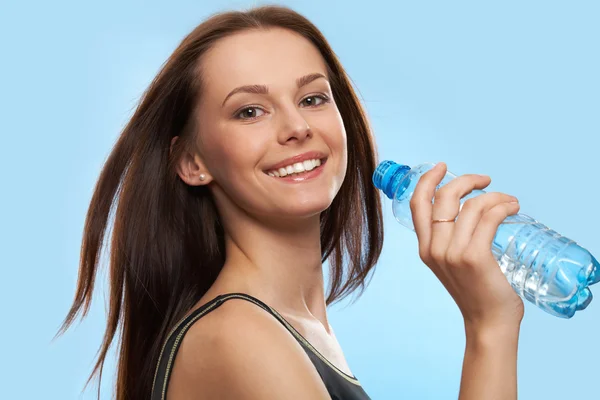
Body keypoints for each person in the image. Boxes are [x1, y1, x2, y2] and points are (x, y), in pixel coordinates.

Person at [56, 5, 525, 400]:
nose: (296, 127)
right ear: (192, 162)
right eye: (250, 111)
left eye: (313, 98)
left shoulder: (288, 328)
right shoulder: (238, 335)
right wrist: (488, 326)